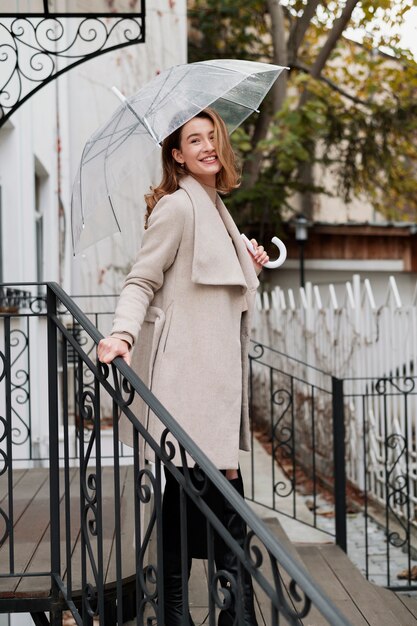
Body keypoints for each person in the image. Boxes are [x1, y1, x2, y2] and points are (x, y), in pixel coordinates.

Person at [98, 108, 268, 626]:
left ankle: (183, 609)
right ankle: (231, 611)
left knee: (191, 486)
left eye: (212, 135)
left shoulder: (217, 207)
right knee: (214, 482)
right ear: (177, 155)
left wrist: (248, 263)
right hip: (187, 375)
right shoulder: (178, 206)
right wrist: (122, 334)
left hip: (216, 377)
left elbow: (217, 288)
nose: (207, 145)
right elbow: (141, 279)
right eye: (194, 140)